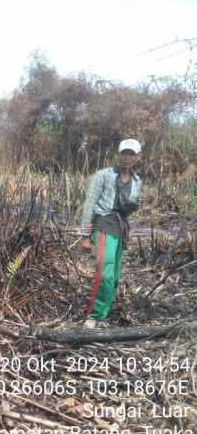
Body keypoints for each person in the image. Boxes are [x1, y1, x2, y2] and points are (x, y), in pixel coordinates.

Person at [78, 139, 143, 328]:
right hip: (104, 223)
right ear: (118, 154)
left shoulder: (137, 180)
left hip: (121, 227)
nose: (127, 157)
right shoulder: (103, 175)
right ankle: (94, 316)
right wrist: (84, 235)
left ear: (137, 157)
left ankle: (104, 311)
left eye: (131, 154)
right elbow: (90, 203)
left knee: (114, 276)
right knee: (104, 273)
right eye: (124, 153)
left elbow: (129, 206)